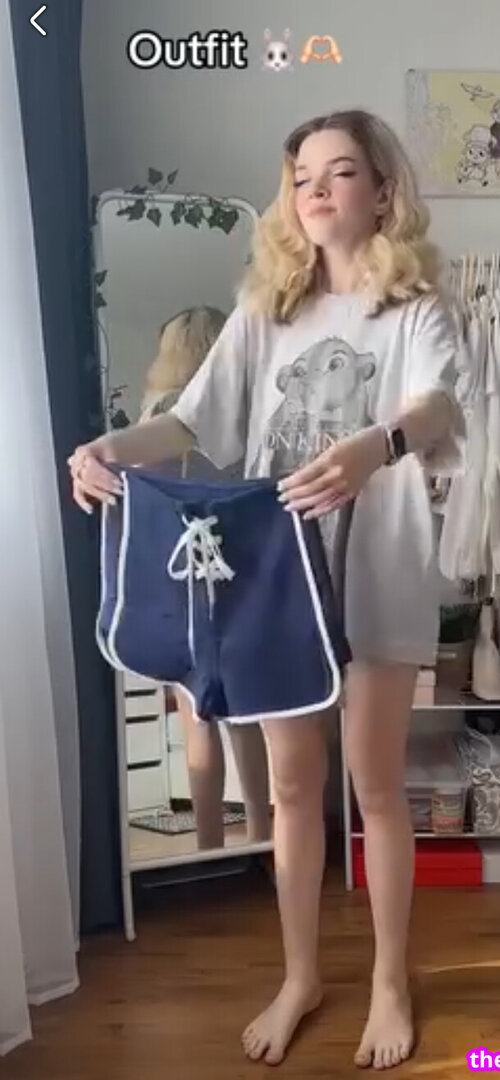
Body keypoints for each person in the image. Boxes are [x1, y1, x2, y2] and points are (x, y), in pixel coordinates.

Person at [68, 109, 464, 1070]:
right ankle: (299, 977)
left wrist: (376, 444)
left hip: (377, 564)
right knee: (291, 788)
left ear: (382, 190)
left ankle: (388, 979)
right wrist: (106, 446)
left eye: (340, 171)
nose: (316, 189)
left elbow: (437, 407)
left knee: (375, 786)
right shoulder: (266, 312)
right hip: (276, 576)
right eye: (301, 176)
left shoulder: (416, 309)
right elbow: (188, 421)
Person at [138, 306, 271, 850]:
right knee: (247, 719)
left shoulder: (160, 418)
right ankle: (262, 835)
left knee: (196, 718)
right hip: (242, 579)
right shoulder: (242, 411)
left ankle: (208, 844)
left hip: (182, 581)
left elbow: (142, 504)